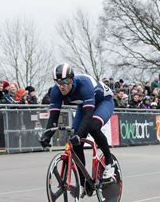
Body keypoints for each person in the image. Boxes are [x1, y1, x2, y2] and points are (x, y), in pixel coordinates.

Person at [39, 63, 117, 191]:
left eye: (65, 81)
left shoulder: (84, 84)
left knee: (92, 126)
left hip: (104, 101)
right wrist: (46, 136)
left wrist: (79, 135)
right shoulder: (55, 91)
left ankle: (109, 163)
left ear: (72, 78)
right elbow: (53, 117)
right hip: (84, 106)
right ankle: (84, 182)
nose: (62, 86)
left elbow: (88, 116)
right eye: (58, 82)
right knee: (76, 143)